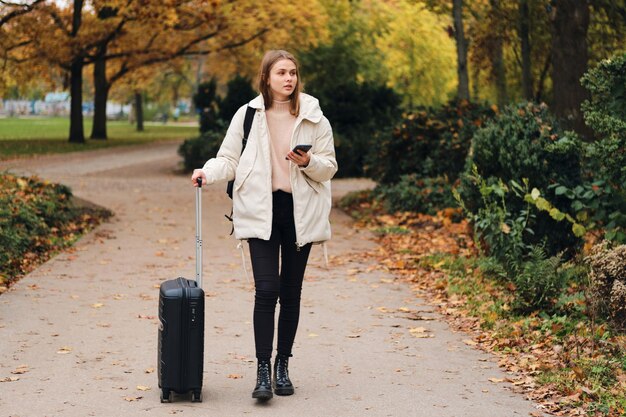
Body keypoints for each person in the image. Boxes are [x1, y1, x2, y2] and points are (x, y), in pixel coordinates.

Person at [191, 50, 338, 401]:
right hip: (260, 210)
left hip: (299, 212)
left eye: (293, 73)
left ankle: (282, 365)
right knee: (266, 289)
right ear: (267, 78)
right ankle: (261, 368)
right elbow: (229, 159)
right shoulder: (247, 115)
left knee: (290, 293)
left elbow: (329, 166)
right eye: (282, 73)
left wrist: (308, 162)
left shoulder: (315, 117)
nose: (289, 79)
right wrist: (206, 173)